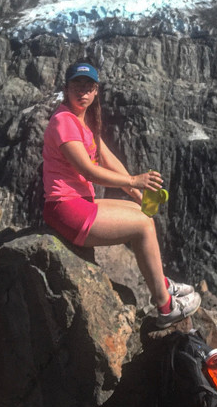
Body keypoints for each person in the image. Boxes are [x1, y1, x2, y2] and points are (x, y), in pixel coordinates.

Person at [42, 61, 200, 326]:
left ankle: (161, 284)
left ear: (96, 91)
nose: (82, 91)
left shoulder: (82, 121)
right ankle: (166, 307)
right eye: (76, 85)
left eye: (88, 86)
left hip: (78, 203)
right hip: (65, 208)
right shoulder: (64, 122)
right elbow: (89, 170)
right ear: (66, 89)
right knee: (142, 226)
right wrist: (134, 180)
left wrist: (134, 192)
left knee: (142, 214)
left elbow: (107, 158)